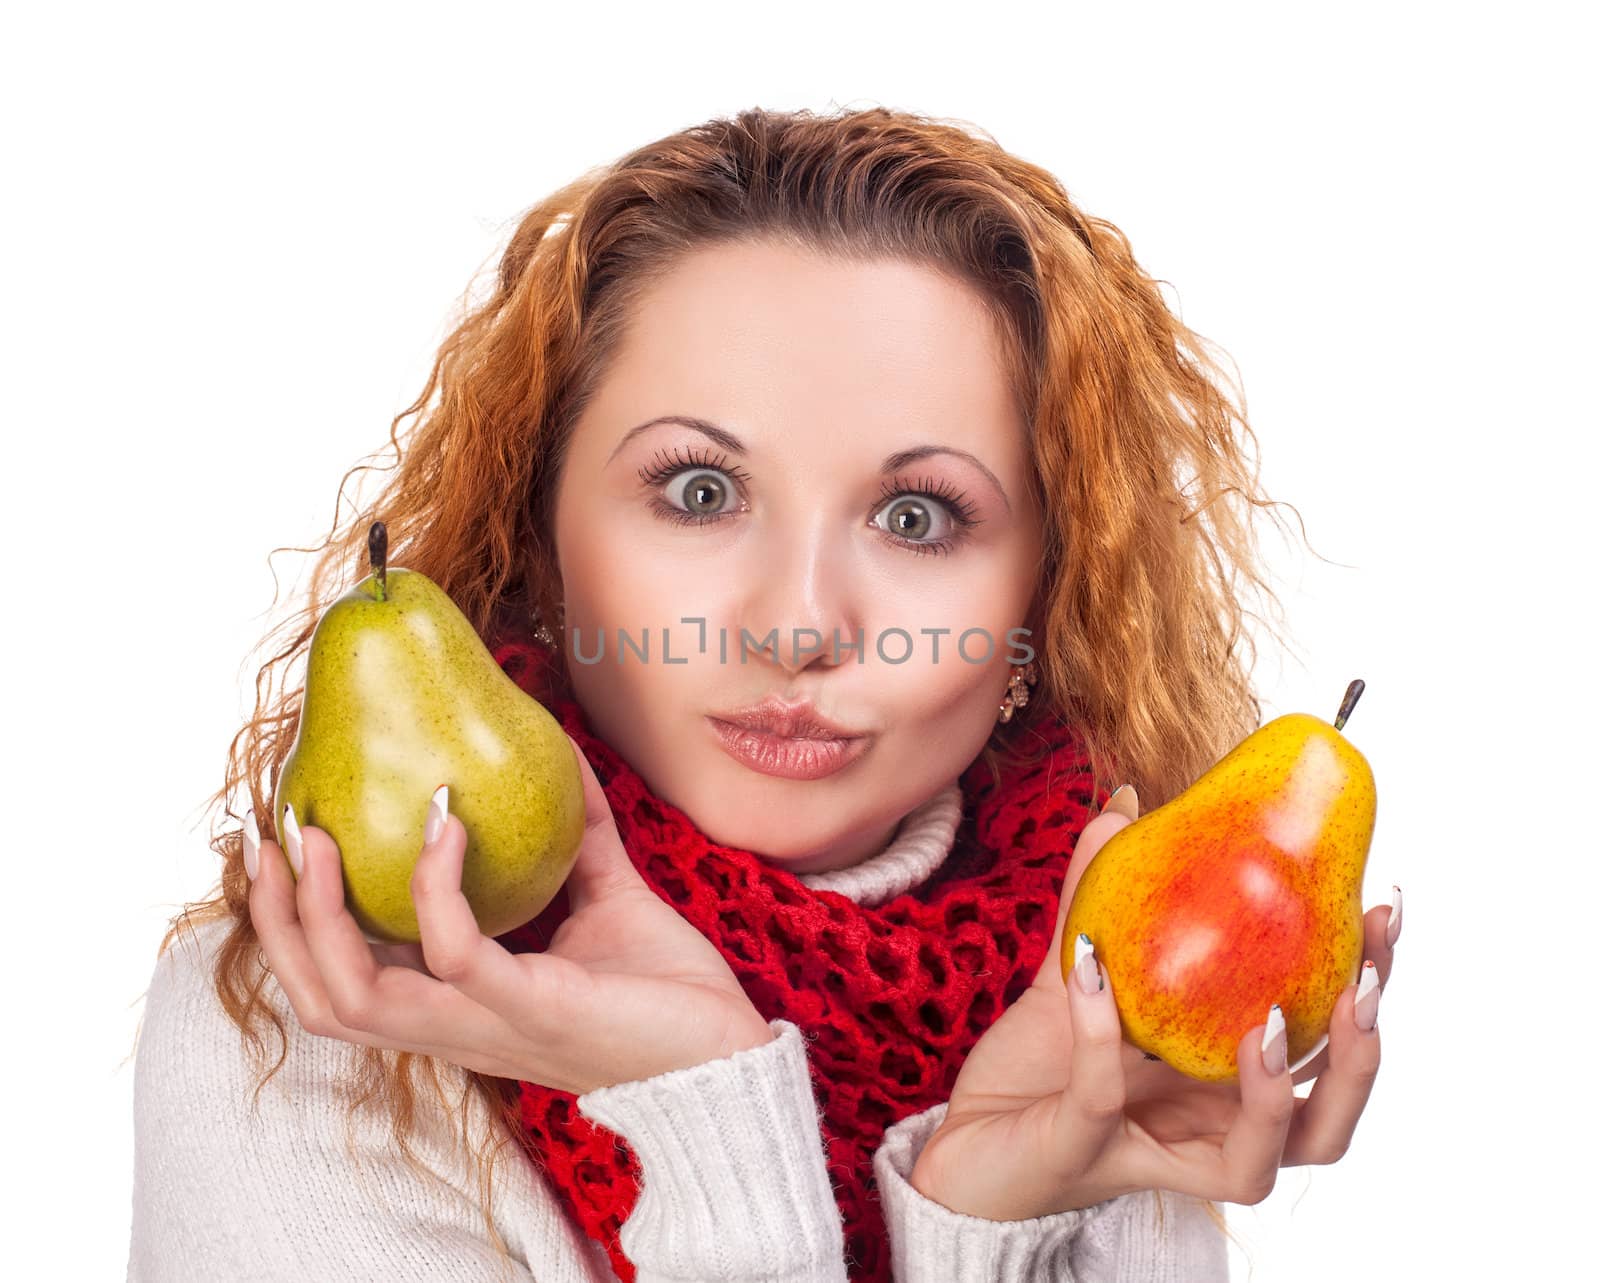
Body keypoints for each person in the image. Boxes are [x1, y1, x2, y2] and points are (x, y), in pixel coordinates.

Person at [126, 105, 1397, 1282]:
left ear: (1041, 604)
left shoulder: (1109, 993)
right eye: (699, 491)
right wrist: (703, 1106)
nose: (798, 625)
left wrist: (995, 1205)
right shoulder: (312, 1020)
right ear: (539, 536)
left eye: (917, 515)